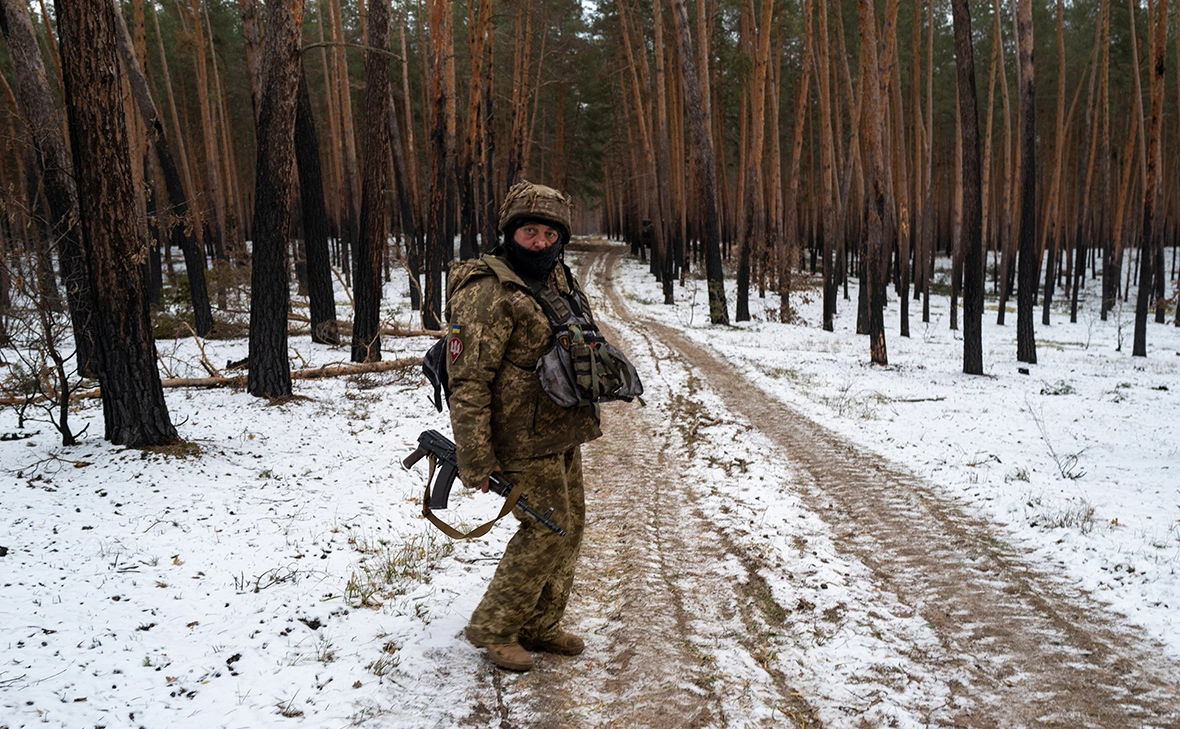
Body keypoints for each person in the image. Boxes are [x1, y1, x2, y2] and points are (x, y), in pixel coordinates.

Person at [444, 180, 603, 672]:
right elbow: (467, 381)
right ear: (510, 233)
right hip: (519, 439)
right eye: (529, 231)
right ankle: (495, 628)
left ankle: (539, 624)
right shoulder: (488, 291)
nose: (539, 242)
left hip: (560, 430)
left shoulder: (558, 279)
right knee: (544, 532)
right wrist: (475, 454)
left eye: (549, 233)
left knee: (569, 528)